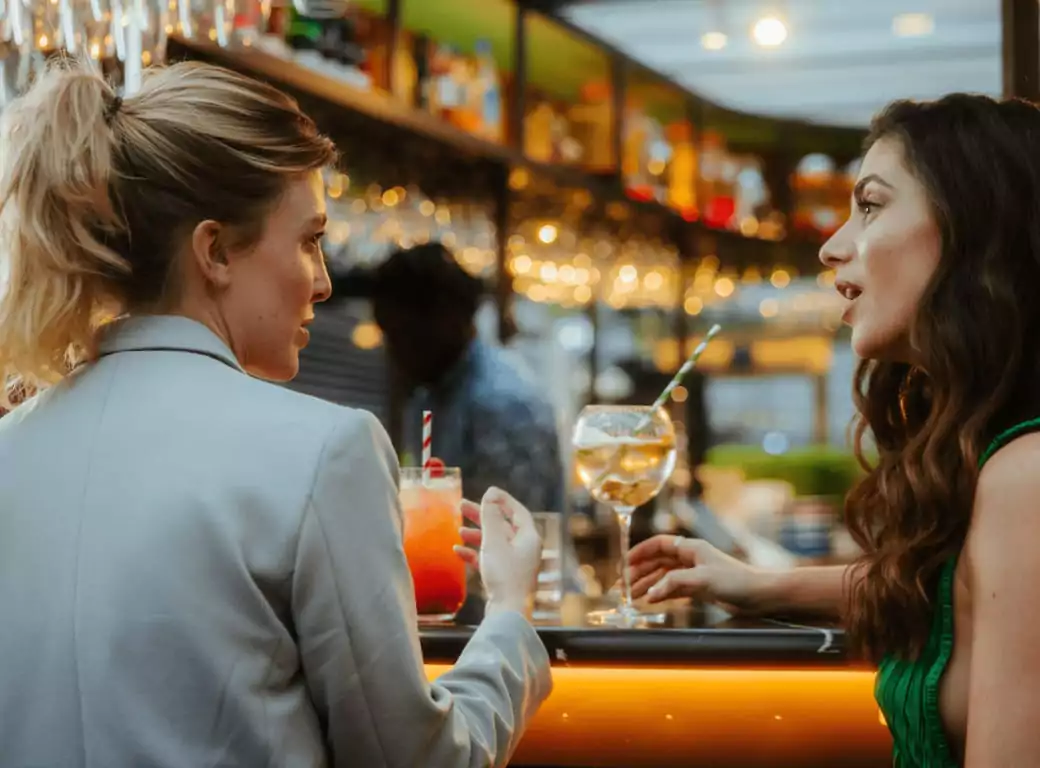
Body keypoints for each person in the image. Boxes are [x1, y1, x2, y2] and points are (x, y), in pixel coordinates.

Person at [0, 59, 551, 767]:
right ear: (214, 251)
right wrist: (509, 617)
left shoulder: (12, 446)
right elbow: (416, 761)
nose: (323, 283)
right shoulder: (325, 451)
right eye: (309, 240)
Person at [629, 93, 1040, 767]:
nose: (831, 246)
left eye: (870, 207)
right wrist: (761, 584)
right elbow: (950, 591)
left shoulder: (1028, 478)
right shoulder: (1001, 454)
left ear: (976, 228)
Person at [370, 242, 566, 514]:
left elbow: (509, 525)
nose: (393, 350)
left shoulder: (502, 404)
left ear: (451, 319)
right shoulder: (427, 396)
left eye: (403, 333)